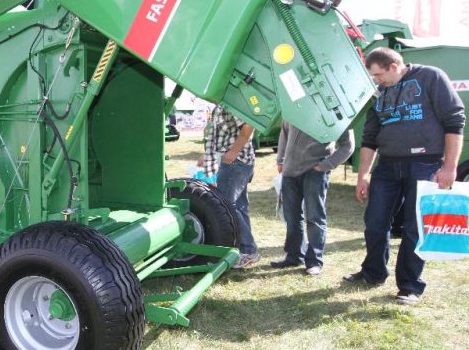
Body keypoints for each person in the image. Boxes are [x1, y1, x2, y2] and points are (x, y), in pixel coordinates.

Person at [345, 47, 465, 305]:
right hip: (387, 166)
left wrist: (450, 168)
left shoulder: (431, 77)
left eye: (379, 75)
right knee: (375, 223)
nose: (376, 80)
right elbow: (369, 138)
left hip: (424, 164)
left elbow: (454, 122)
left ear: (394, 66)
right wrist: (363, 174)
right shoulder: (379, 91)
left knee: (414, 227)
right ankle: (373, 272)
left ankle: (410, 286)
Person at [272, 121, 354, 275]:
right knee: (292, 217)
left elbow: (348, 145)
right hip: (290, 172)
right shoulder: (294, 104)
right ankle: (294, 256)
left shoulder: (334, 109)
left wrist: (325, 165)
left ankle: (314, 261)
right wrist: (280, 160)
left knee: (315, 216)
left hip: (315, 172)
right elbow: (284, 132)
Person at [198, 104, 258, 268]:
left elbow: (249, 125)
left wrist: (233, 152)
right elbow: (220, 134)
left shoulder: (232, 103)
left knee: (227, 206)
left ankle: (248, 250)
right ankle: (243, 250)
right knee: (238, 207)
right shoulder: (221, 104)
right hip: (234, 162)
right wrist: (208, 155)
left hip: (236, 163)